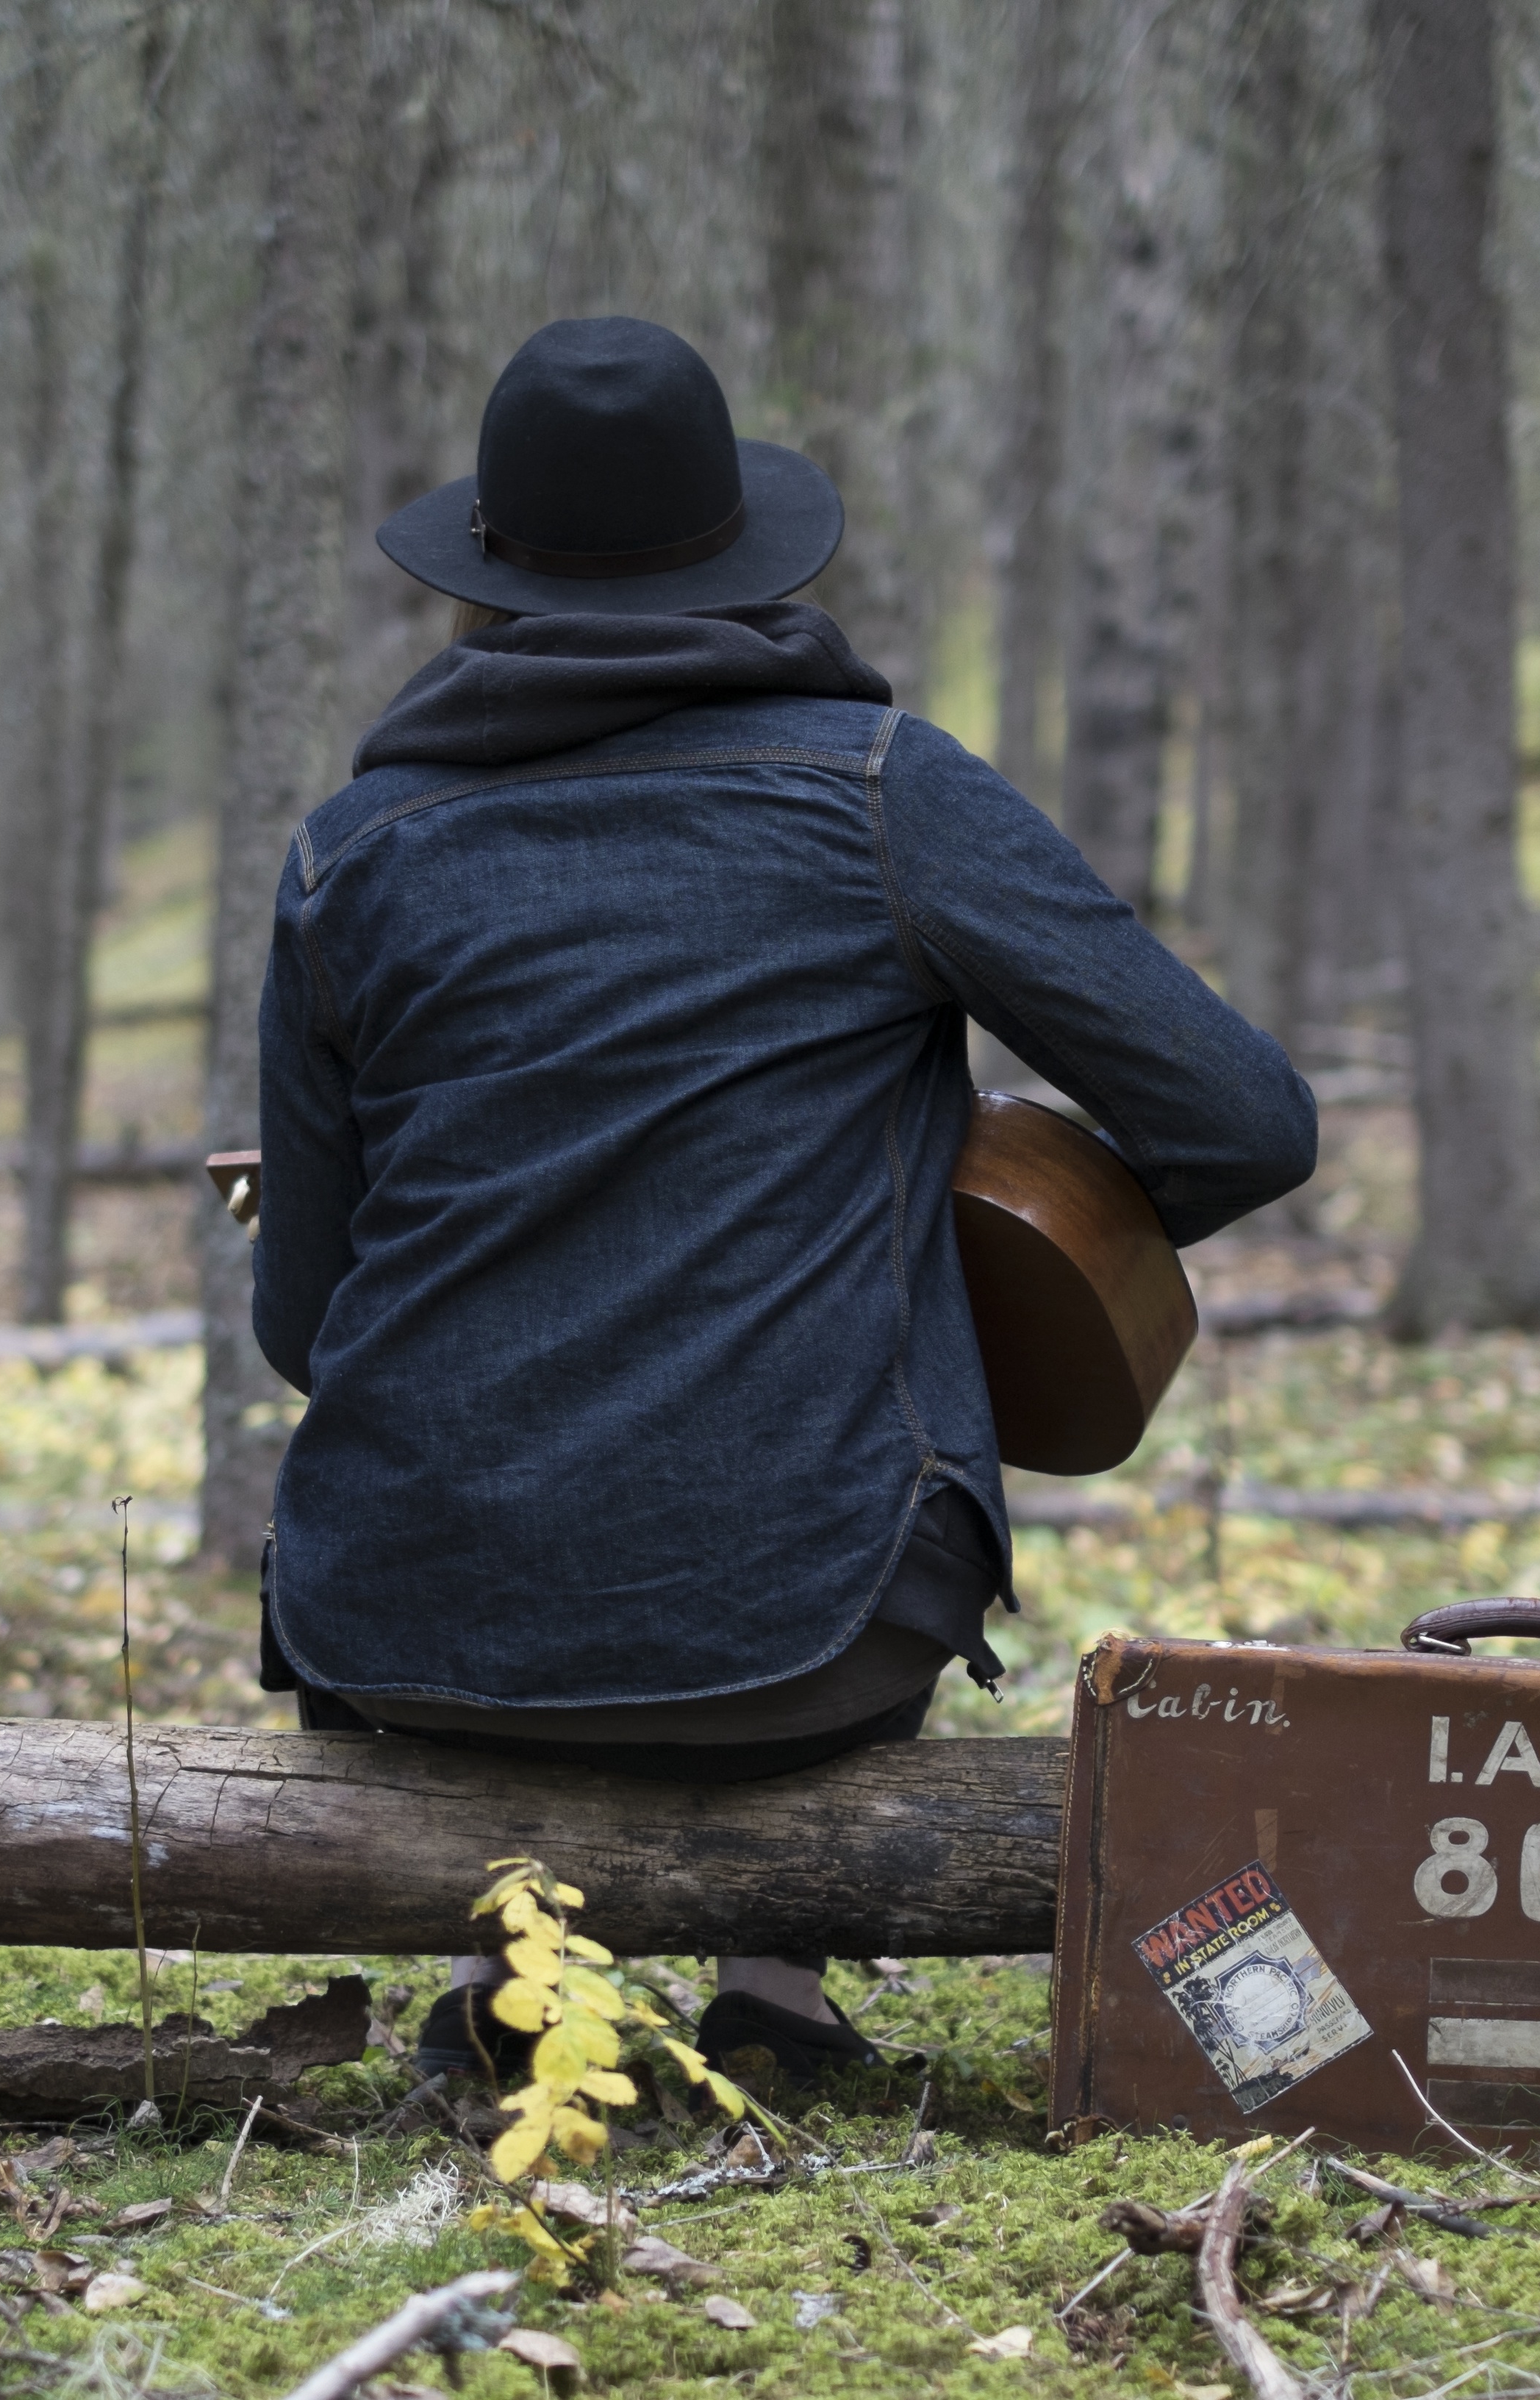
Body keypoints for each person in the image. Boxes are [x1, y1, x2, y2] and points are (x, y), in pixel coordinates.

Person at [248, 317, 1319, 2082]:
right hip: (799, 1639)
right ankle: (778, 1987)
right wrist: (974, 1234)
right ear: (738, 553)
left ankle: (511, 1976)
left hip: (409, 1635)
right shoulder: (889, 799)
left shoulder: (345, 855)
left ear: (489, 574)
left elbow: (302, 1324)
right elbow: (1245, 1121)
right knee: (816, 1464)